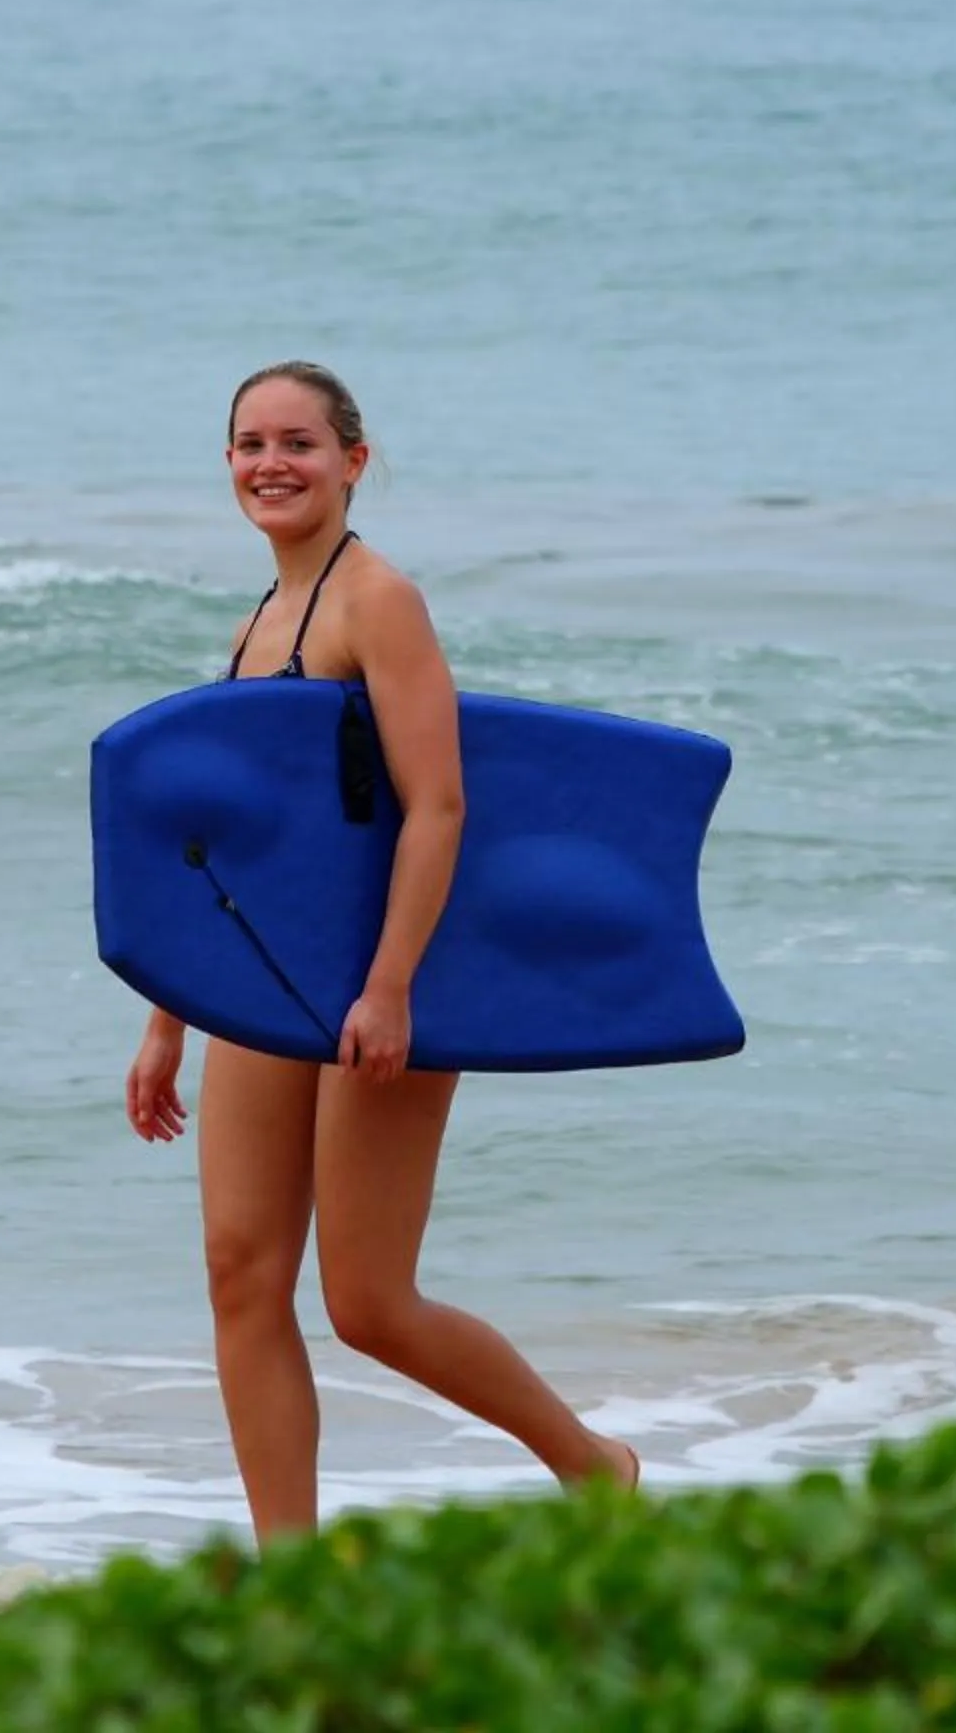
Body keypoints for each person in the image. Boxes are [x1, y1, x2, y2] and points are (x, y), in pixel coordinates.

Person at [120, 360, 639, 1540]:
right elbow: (235, 856)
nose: (271, 463)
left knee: (367, 1301)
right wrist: (164, 1015)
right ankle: (290, 1574)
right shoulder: (255, 623)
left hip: (384, 982)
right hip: (267, 989)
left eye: (298, 441)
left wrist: (393, 985)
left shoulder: (379, 601)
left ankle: (590, 1460)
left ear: (355, 458)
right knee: (242, 1275)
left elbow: (438, 804)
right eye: (250, 443)